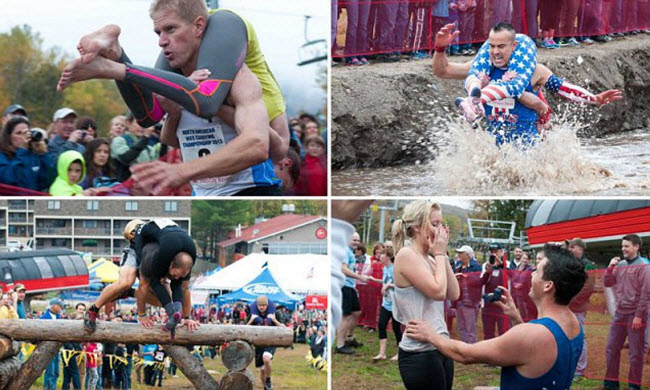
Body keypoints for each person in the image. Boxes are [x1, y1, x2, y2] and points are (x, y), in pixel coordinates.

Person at [58, 0, 289, 195]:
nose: (161, 42)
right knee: (149, 114)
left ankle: (118, 66)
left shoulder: (239, 79)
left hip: (250, 190)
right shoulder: (174, 78)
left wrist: (183, 171)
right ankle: (116, 53)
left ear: (198, 28)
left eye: (170, 29)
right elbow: (170, 137)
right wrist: (175, 113)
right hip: (205, 192)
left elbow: (260, 146)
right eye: (158, 33)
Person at [406, 244, 587, 390]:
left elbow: (465, 355)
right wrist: (516, 318)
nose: (531, 274)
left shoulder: (532, 335)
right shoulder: (573, 323)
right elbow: (537, 354)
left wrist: (431, 335)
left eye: (537, 271)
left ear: (548, 286)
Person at [433, 23, 623, 139]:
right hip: (495, 140)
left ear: (514, 47)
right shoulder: (480, 69)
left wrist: (594, 99)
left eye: (501, 47)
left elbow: (562, 88)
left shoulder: (535, 70)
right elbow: (443, 71)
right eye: (492, 47)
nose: (496, 52)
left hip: (530, 139)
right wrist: (440, 49)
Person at [391, 200, 459, 390]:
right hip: (419, 352)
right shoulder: (406, 255)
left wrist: (441, 255)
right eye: (435, 224)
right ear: (418, 227)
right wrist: (438, 254)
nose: (441, 230)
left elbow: (453, 293)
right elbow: (438, 292)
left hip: (441, 345)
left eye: (441, 224)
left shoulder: (430, 258)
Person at [132, 220, 200, 336]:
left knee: (178, 282)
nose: (176, 277)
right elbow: (148, 284)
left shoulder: (189, 259)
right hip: (146, 231)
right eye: (174, 273)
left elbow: (184, 288)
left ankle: (175, 313)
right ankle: (172, 313)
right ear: (170, 264)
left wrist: (187, 317)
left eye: (179, 274)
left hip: (180, 238)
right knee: (151, 279)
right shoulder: (163, 256)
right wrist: (142, 315)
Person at [603, 234, 650, 390]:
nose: (623, 249)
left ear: (636, 247)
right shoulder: (621, 265)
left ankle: (634, 386)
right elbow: (608, 282)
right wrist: (610, 268)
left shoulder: (644, 267)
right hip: (620, 314)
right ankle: (611, 383)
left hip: (635, 315)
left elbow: (646, 294)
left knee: (635, 354)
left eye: (626, 246)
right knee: (611, 348)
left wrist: (639, 316)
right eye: (622, 246)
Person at [84, 219, 143, 333]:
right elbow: (129, 229)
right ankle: (94, 309)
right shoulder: (138, 235)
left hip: (152, 254)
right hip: (133, 253)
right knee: (125, 282)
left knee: (161, 298)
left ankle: (129, 292)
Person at [336, 231, 374, 355]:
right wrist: (359, 277)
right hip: (344, 286)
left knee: (356, 312)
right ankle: (340, 345)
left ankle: (349, 338)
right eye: (354, 240)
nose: (356, 243)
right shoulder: (344, 252)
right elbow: (343, 269)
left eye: (358, 240)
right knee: (345, 316)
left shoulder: (349, 252)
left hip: (350, 286)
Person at [565, 237, 595, 380]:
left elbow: (588, 288)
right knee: (567, 335)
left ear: (581, 249)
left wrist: (570, 301)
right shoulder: (570, 263)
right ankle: (570, 365)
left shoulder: (587, 265)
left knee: (579, 336)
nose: (569, 249)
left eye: (572, 247)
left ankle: (579, 370)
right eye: (569, 247)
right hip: (566, 305)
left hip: (577, 307)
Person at [0, 116, 54, 191]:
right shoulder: (2, 156)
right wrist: (22, 151)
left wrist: (43, 155)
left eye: (26, 133)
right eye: (19, 133)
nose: (23, 137)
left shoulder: (33, 155)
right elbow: (9, 180)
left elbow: (49, 180)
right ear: (9, 136)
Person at [247, 295, 285, 390]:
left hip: (271, 341)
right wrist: (251, 320)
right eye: (260, 305)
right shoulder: (253, 314)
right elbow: (244, 327)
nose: (261, 307)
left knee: (266, 358)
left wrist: (274, 320)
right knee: (263, 369)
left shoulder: (275, 313)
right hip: (259, 344)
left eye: (263, 305)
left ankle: (268, 380)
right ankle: (266, 387)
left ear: (267, 305)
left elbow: (284, 328)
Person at [372, 247, 402, 362]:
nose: (380, 256)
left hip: (395, 303)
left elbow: (400, 285)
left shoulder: (395, 269)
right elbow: (385, 282)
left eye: (382, 255)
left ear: (388, 257)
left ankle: (400, 352)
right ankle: (382, 353)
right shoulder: (385, 269)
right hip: (386, 302)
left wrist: (388, 286)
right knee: (381, 324)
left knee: (396, 327)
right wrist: (375, 280)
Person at [110, 114, 159, 182]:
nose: (142, 127)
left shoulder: (148, 148)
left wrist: (163, 138)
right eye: (139, 123)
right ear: (128, 123)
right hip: (123, 187)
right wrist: (145, 137)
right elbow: (125, 158)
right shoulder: (119, 140)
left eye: (145, 124)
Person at [453, 245, 482, 344]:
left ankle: (471, 350)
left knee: (470, 328)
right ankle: (464, 348)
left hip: (470, 301)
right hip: (459, 300)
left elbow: (479, 282)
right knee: (461, 326)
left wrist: (466, 278)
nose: (459, 255)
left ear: (467, 255)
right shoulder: (458, 266)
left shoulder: (476, 266)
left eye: (461, 253)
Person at [42, 298, 64, 390]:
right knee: (50, 372)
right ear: (54, 306)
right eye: (60, 306)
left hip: (57, 349)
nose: (61, 308)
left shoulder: (59, 317)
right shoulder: (44, 318)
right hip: (47, 349)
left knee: (56, 372)